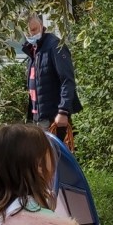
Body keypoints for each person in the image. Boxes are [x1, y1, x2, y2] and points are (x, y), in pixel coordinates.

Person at [23, 12, 82, 143]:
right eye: (27, 32)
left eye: (34, 29)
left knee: (56, 154)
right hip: (38, 118)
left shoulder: (54, 45)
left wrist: (63, 111)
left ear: (41, 25)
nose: (31, 34)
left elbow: (67, 80)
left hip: (54, 117)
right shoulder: (33, 49)